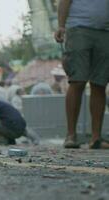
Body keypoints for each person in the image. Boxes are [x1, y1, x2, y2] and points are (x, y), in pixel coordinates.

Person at [54, 0, 109, 149]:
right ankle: (71, 135)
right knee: (77, 81)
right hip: (78, 28)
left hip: (105, 32)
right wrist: (61, 26)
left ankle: (96, 138)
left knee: (99, 83)